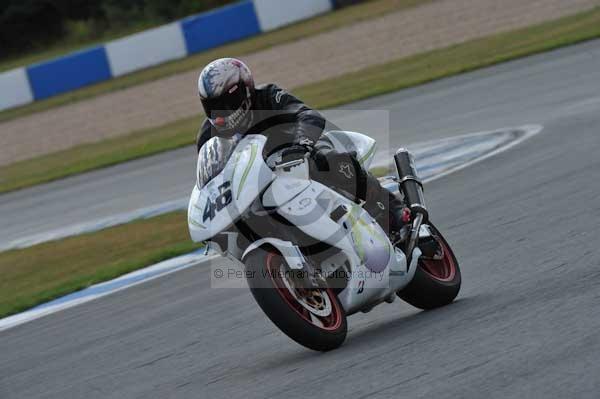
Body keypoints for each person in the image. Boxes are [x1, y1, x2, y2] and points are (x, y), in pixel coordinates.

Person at [195, 58, 406, 237]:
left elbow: (308, 115)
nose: (221, 112)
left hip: (298, 156)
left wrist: (301, 145)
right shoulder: (208, 135)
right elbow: (211, 177)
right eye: (213, 106)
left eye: (227, 102)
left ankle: (394, 210)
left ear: (245, 90)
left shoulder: (268, 96)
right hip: (256, 184)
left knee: (328, 158)